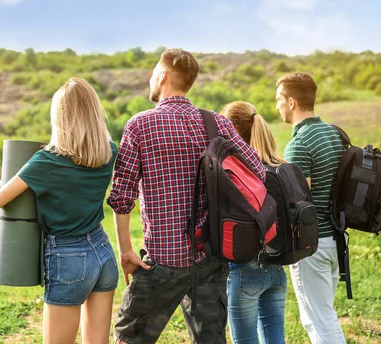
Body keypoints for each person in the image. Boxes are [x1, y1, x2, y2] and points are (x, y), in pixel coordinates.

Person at [107, 49, 266, 344]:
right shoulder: (217, 123)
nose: (151, 77)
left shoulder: (139, 125)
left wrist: (126, 251)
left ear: (163, 75)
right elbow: (257, 171)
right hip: (210, 255)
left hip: (163, 259)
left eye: (154, 71)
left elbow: (121, 196)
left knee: (130, 339)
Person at [0, 78, 119, 344]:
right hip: (103, 252)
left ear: (60, 118)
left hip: (69, 258)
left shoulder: (45, 162)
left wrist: (7, 176)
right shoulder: (108, 152)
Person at [275, 72, 346, 344]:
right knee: (322, 315)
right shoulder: (333, 133)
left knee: (319, 321)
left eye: (279, 100)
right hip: (335, 240)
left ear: (291, 102)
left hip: (311, 246)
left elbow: (297, 203)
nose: (277, 106)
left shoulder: (300, 144)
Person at [221, 101, 287, 344]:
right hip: (277, 269)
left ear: (233, 131)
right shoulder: (279, 166)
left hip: (244, 272)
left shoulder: (239, 175)